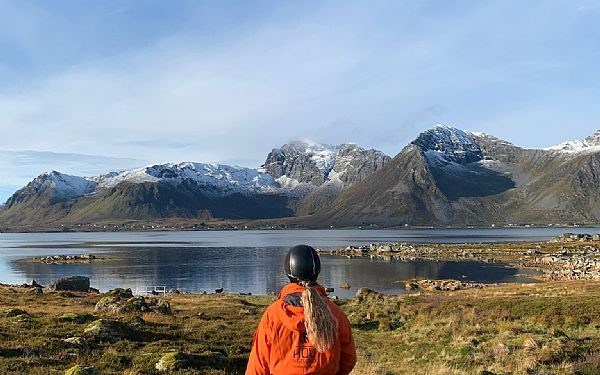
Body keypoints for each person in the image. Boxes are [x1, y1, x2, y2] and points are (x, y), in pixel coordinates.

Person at [246, 245, 357, 375]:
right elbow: (348, 358)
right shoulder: (335, 313)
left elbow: (257, 366)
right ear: (317, 272)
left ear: (288, 273)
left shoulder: (273, 314)